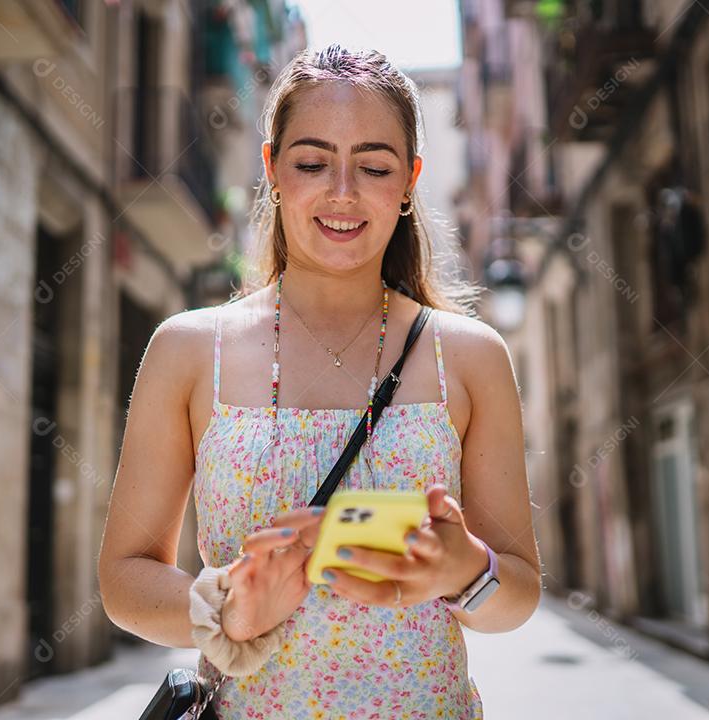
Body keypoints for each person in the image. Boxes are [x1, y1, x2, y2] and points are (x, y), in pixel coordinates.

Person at [98, 44, 540, 719]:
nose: (342, 192)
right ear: (272, 168)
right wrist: (223, 608)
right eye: (311, 163)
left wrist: (466, 571)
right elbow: (124, 578)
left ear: (408, 183)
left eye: (374, 166)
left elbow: (519, 592)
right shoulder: (188, 350)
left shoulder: (472, 357)